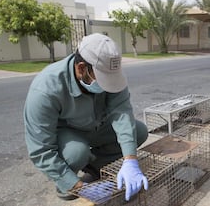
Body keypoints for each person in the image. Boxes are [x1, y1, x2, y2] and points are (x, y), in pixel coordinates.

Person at [24, 33, 149, 201]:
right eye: (103, 80)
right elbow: (41, 150)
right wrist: (78, 187)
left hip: (96, 126)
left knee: (138, 131)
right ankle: (66, 183)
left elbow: (122, 114)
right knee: (76, 153)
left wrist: (131, 161)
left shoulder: (109, 71)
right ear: (81, 68)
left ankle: (96, 164)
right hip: (68, 132)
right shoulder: (45, 89)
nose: (107, 85)